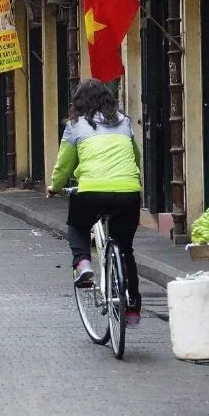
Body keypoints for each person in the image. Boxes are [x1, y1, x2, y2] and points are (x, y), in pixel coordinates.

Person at [47, 79, 143, 327]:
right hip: (128, 191)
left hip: (91, 192)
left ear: (77, 103)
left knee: (77, 225)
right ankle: (132, 308)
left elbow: (64, 164)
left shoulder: (75, 126)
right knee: (126, 249)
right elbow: (136, 156)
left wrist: (55, 187)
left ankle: (83, 264)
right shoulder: (125, 122)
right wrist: (132, 178)